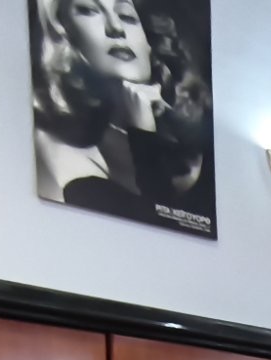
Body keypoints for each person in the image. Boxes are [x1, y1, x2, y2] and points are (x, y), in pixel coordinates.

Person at [30, 0, 215, 231]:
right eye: (89, 11)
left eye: (127, 16)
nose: (116, 27)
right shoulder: (67, 153)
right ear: (64, 33)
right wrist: (142, 133)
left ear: (149, 42)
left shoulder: (200, 134)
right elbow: (157, 232)